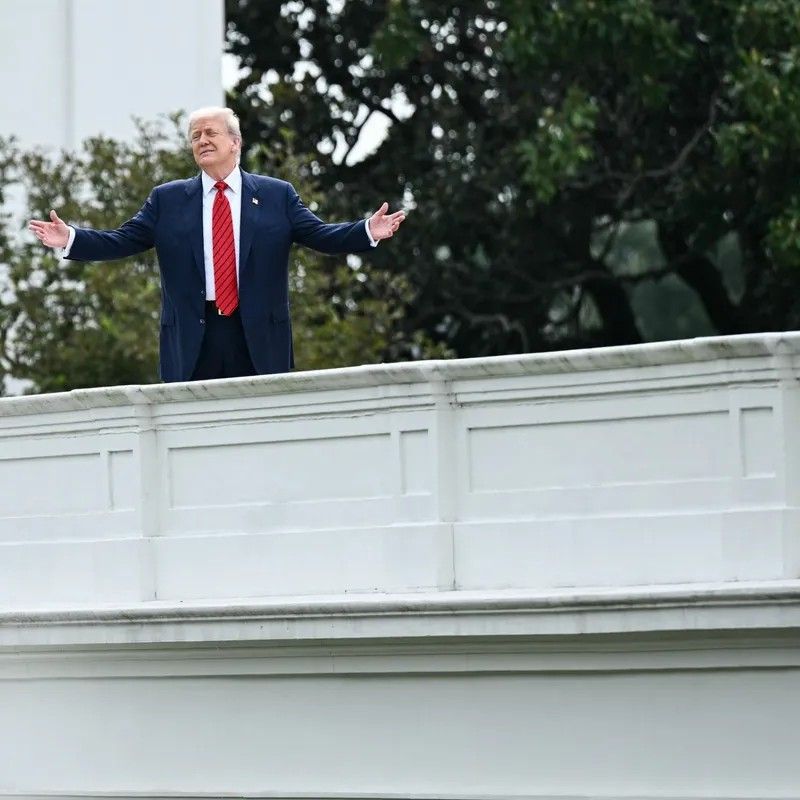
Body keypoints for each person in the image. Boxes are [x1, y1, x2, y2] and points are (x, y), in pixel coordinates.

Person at [28, 106, 406, 382]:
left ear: (235, 142)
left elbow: (321, 235)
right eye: (196, 136)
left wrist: (367, 230)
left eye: (211, 133)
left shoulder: (277, 195)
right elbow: (122, 240)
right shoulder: (168, 199)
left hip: (257, 334)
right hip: (194, 335)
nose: (203, 140)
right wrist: (71, 239)